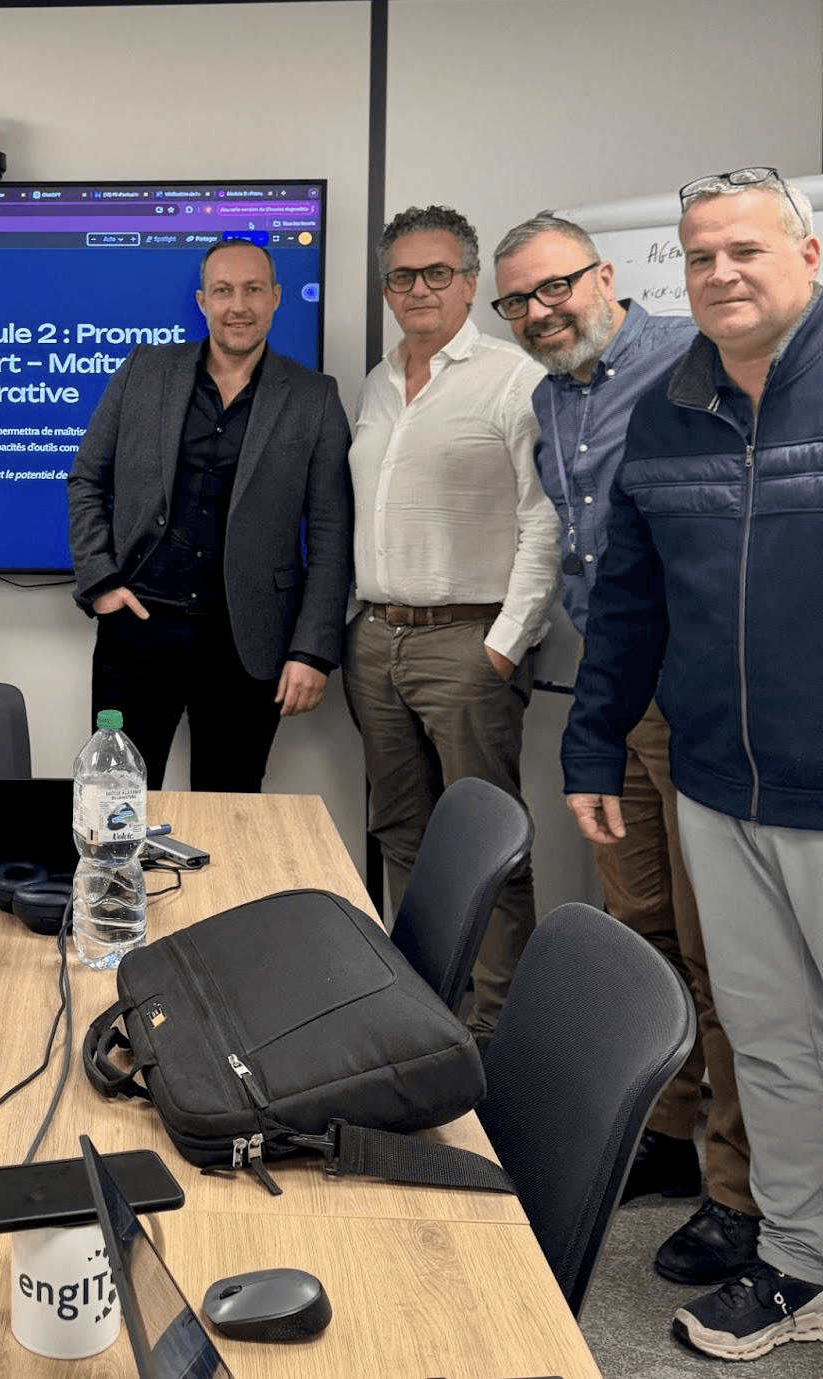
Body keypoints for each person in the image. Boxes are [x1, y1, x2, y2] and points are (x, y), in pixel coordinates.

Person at [563, 167, 823, 1363]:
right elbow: (628, 600)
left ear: (807, 256)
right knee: (767, 1042)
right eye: (700, 254)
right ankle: (801, 1260)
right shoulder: (669, 408)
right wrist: (592, 742)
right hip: (717, 784)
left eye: (744, 250)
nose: (720, 273)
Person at [492, 214, 757, 1286]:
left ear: (605, 276)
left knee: (722, 953)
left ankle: (741, 1194)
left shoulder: (695, 363)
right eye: (517, 301)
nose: (539, 311)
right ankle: (665, 1129)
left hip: (704, 700)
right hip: (617, 694)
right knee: (639, 927)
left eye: (555, 286)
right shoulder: (551, 398)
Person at [344, 205, 558, 1044]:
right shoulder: (376, 382)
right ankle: (430, 1017)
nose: (419, 289)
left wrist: (504, 644)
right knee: (402, 835)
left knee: (491, 846)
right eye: (402, 276)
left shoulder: (514, 378)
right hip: (376, 641)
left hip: (469, 644)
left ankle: (501, 1036)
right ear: (386, 290)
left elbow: (545, 519)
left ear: (470, 284)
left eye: (438, 273)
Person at [66, 238, 354, 790]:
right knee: (113, 801)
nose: (238, 306)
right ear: (203, 301)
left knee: (231, 810)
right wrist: (101, 584)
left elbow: (331, 534)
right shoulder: (144, 370)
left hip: (248, 642)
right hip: (139, 628)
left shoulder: (314, 397)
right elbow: (87, 480)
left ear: (276, 298)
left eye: (253, 290)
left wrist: (313, 650)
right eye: (223, 291)